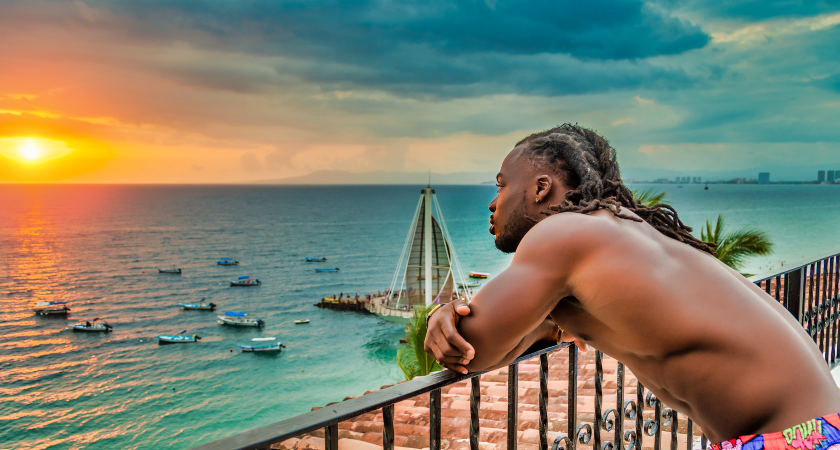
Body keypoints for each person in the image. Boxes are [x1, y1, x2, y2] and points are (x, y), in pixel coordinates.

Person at [424, 124, 840, 447]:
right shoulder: (623, 227)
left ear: (540, 188)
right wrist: (544, 326)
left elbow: (473, 347)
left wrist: (441, 315)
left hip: (789, 438)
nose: (493, 202)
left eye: (501, 185)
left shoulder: (561, 234)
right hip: (813, 426)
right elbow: (508, 341)